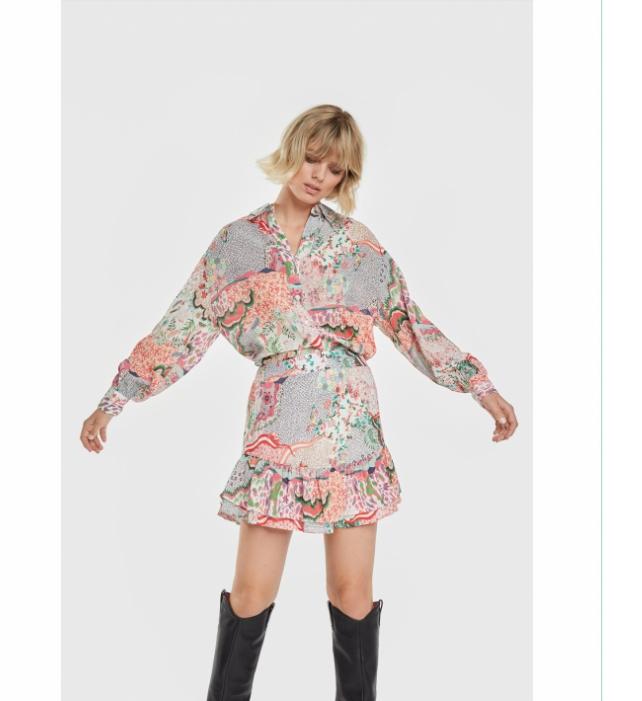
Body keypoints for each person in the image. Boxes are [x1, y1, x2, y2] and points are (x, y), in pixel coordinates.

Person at [80, 104, 518, 701]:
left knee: (351, 594)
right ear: (291, 151)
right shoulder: (237, 244)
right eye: (313, 159)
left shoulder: (357, 245)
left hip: (351, 430)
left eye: (335, 169)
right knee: (250, 594)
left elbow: (408, 322)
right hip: (276, 429)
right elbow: (182, 327)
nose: (319, 176)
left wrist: (479, 386)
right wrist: (117, 399)